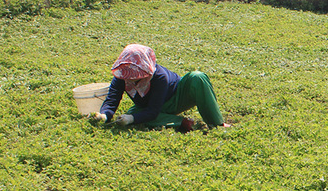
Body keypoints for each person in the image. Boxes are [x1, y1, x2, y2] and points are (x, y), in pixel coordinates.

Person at [94, 44, 230, 131]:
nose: (130, 78)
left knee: (197, 77)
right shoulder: (121, 77)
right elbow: (112, 99)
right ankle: (181, 122)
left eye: (134, 74)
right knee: (134, 112)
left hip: (176, 98)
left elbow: (153, 111)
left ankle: (217, 124)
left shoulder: (159, 77)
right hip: (151, 107)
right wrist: (104, 115)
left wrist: (132, 119)